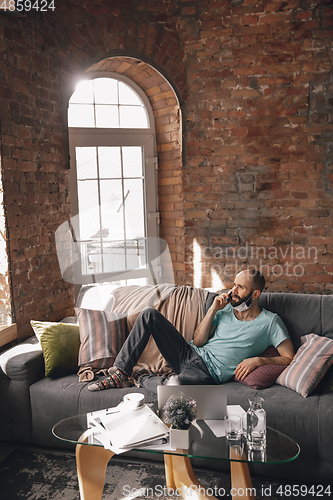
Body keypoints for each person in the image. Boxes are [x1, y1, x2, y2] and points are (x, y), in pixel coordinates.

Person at [88, 269, 294, 392]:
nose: (233, 291)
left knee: (174, 387)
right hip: (188, 353)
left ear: (255, 293)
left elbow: (288, 357)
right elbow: (199, 340)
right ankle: (121, 372)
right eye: (234, 285)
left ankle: (140, 377)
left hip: (207, 373)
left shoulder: (270, 322)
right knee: (149, 314)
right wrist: (213, 308)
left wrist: (259, 360)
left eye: (240, 287)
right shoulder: (225, 309)